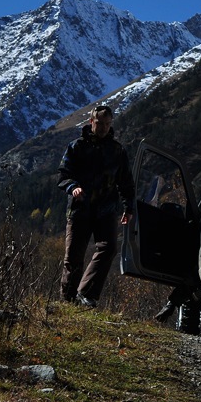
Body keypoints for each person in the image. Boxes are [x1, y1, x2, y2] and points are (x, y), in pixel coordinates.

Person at [57, 105, 135, 307]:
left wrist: (129, 208)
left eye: (107, 124)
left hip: (106, 210)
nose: (103, 128)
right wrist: (73, 187)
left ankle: (86, 294)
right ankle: (67, 301)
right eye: (100, 123)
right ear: (91, 122)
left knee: (109, 248)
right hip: (79, 209)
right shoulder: (76, 147)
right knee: (73, 256)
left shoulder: (117, 151)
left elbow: (126, 182)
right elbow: (63, 175)